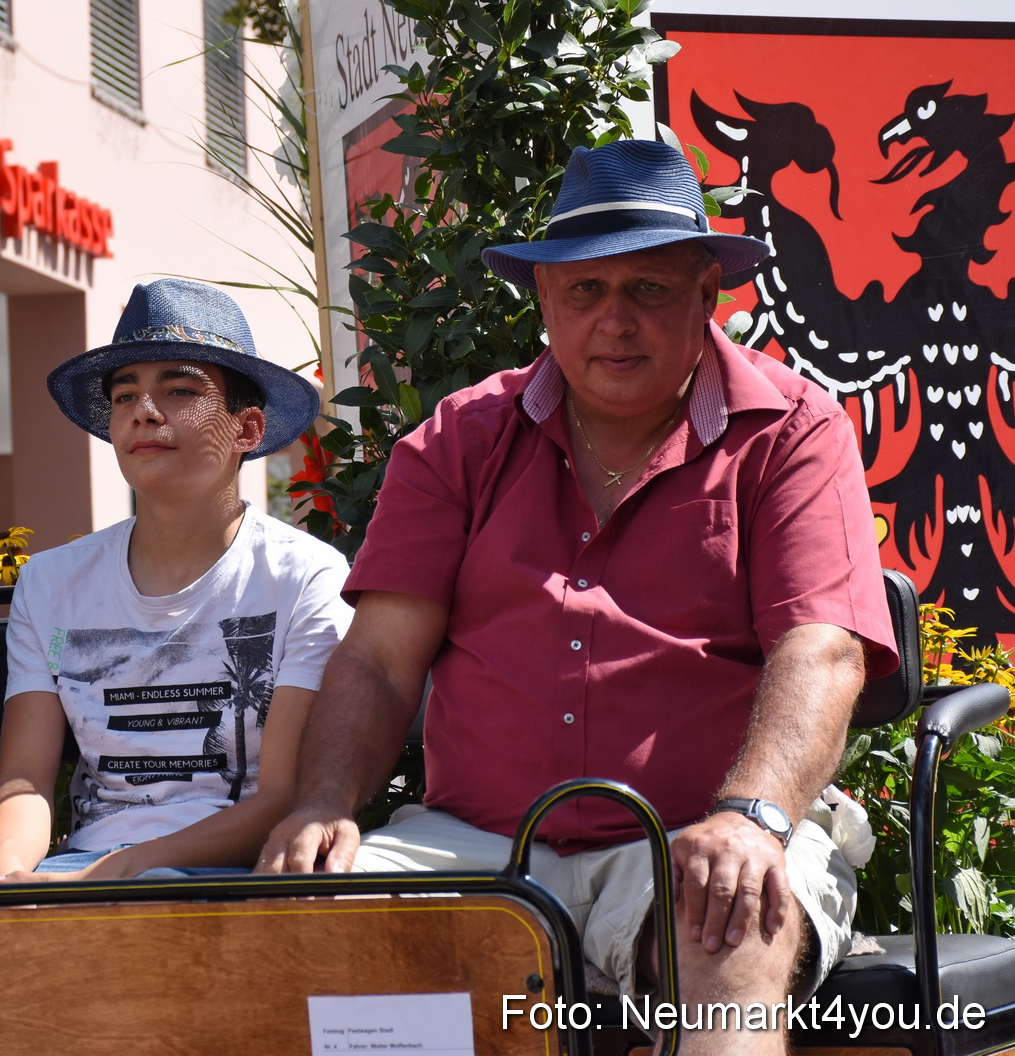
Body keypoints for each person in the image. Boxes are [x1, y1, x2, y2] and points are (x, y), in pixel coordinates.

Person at [257, 140, 897, 1055]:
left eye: (649, 289)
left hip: (698, 831)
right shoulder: (459, 439)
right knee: (297, 927)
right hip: (478, 842)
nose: (615, 321)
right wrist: (323, 802)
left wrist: (752, 814)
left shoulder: (792, 431)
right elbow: (378, 659)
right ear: (545, 300)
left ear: (707, 294)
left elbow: (822, 650)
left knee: (734, 913)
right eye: (586, 290)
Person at [0, 279, 350, 882]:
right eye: (125, 395)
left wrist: (112, 874)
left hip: (234, 876)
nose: (143, 411)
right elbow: (24, 781)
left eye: (179, 390)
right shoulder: (51, 583)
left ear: (248, 430)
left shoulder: (303, 577)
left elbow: (281, 798)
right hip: (77, 871)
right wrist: (6, 872)